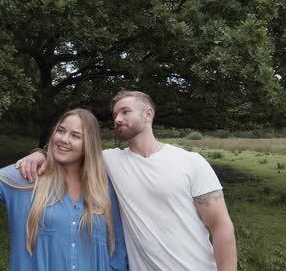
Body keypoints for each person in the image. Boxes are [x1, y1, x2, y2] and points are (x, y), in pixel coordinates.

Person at [17, 91, 237, 270]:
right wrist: (40, 154)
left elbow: (221, 226)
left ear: (148, 114)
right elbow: (69, 150)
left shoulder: (190, 162)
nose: (118, 119)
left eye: (125, 111)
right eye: (115, 115)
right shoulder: (110, 160)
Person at [0, 102, 128, 271]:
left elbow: (117, 250)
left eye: (75, 136)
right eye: (61, 131)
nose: (63, 139)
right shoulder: (28, 176)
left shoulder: (103, 188)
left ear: (88, 145)